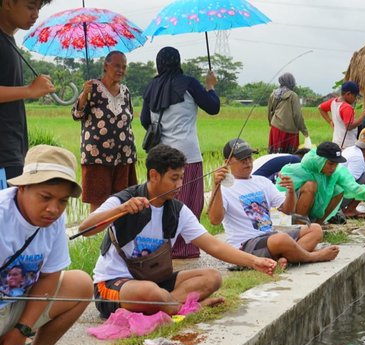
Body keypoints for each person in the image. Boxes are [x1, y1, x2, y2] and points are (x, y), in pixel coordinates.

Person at [79, 144, 277, 319]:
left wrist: (254, 261)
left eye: (181, 178)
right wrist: (120, 210)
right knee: (149, 292)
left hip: (156, 282)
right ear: (154, 175)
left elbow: (213, 245)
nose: (179, 185)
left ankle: (168, 306)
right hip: (115, 285)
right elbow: (85, 229)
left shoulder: (178, 210)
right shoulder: (124, 200)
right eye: (174, 179)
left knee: (212, 277)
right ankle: (182, 307)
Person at [0, 145, 92, 345]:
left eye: (62, 201)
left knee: (80, 284)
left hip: (13, 305)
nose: (54, 208)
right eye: (45, 197)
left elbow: (50, 277)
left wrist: (21, 331)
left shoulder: (53, 220)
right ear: (22, 188)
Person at [141, 46, 220, 259]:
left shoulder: (152, 86)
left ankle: (163, 248)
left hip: (161, 156)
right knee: (189, 202)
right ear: (178, 61)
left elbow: (144, 121)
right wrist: (210, 86)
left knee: (162, 202)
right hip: (188, 154)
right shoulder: (189, 84)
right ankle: (184, 249)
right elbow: (213, 107)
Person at [208, 139, 339, 267]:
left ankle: (285, 258)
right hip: (246, 245)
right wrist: (216, 187)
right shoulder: (224, 189)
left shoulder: (261, 181)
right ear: (227, 162)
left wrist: (291, 192)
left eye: (249, 158)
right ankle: (312, 257)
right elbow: (215, 220)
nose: (248, 162)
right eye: (242, 159)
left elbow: (288, 211)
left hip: (269, 236)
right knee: (282, 239)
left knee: (315, 229)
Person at [276, 142, 365, 224]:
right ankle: (301, 224)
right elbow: (278, 197)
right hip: (291, 214)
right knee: (311, 185)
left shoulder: (337, 172)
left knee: (339, 189)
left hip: (313, 212)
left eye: (336, 164)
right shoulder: (297, 170)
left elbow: (359, 189)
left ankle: (318, 224)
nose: (333, 168)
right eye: (330, 163)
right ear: (320, 161)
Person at [72, 51, 137, 213]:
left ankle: (116, 235)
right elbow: (77, 114)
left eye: (124, 66)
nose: (120, 70)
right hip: (97, 156)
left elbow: (130, 117)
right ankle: (97, 234)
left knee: (123, 198)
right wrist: (84, 94)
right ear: (105, 66)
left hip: (124, 155)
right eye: (117, 66)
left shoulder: (125, 91)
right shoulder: (92, 88)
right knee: (98, 199)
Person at [0, 0, 56, 189]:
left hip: (12, 149)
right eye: (30, 7)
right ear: (7, 3)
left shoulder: (8, 39)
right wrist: (29, 90)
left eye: (39, 9)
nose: (36, 15)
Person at [318, 81, 365, 149]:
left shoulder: (333, 102)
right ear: (348, 94)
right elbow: (349, 127)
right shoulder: (347, 107)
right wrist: (362, 117)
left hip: (336, 142)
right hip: (348, 145)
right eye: (355, 96)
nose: (355, 99)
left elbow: (320, 108)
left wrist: (330, 121)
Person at [267, 73, 309, 153]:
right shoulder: (293, 95)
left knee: (276, 155)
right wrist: (305, 131)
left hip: (275, 127)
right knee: (290, 157)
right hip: (290, 130)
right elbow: (297, 115)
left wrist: (271, 123)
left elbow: (269, 111)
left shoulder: (273, 94)